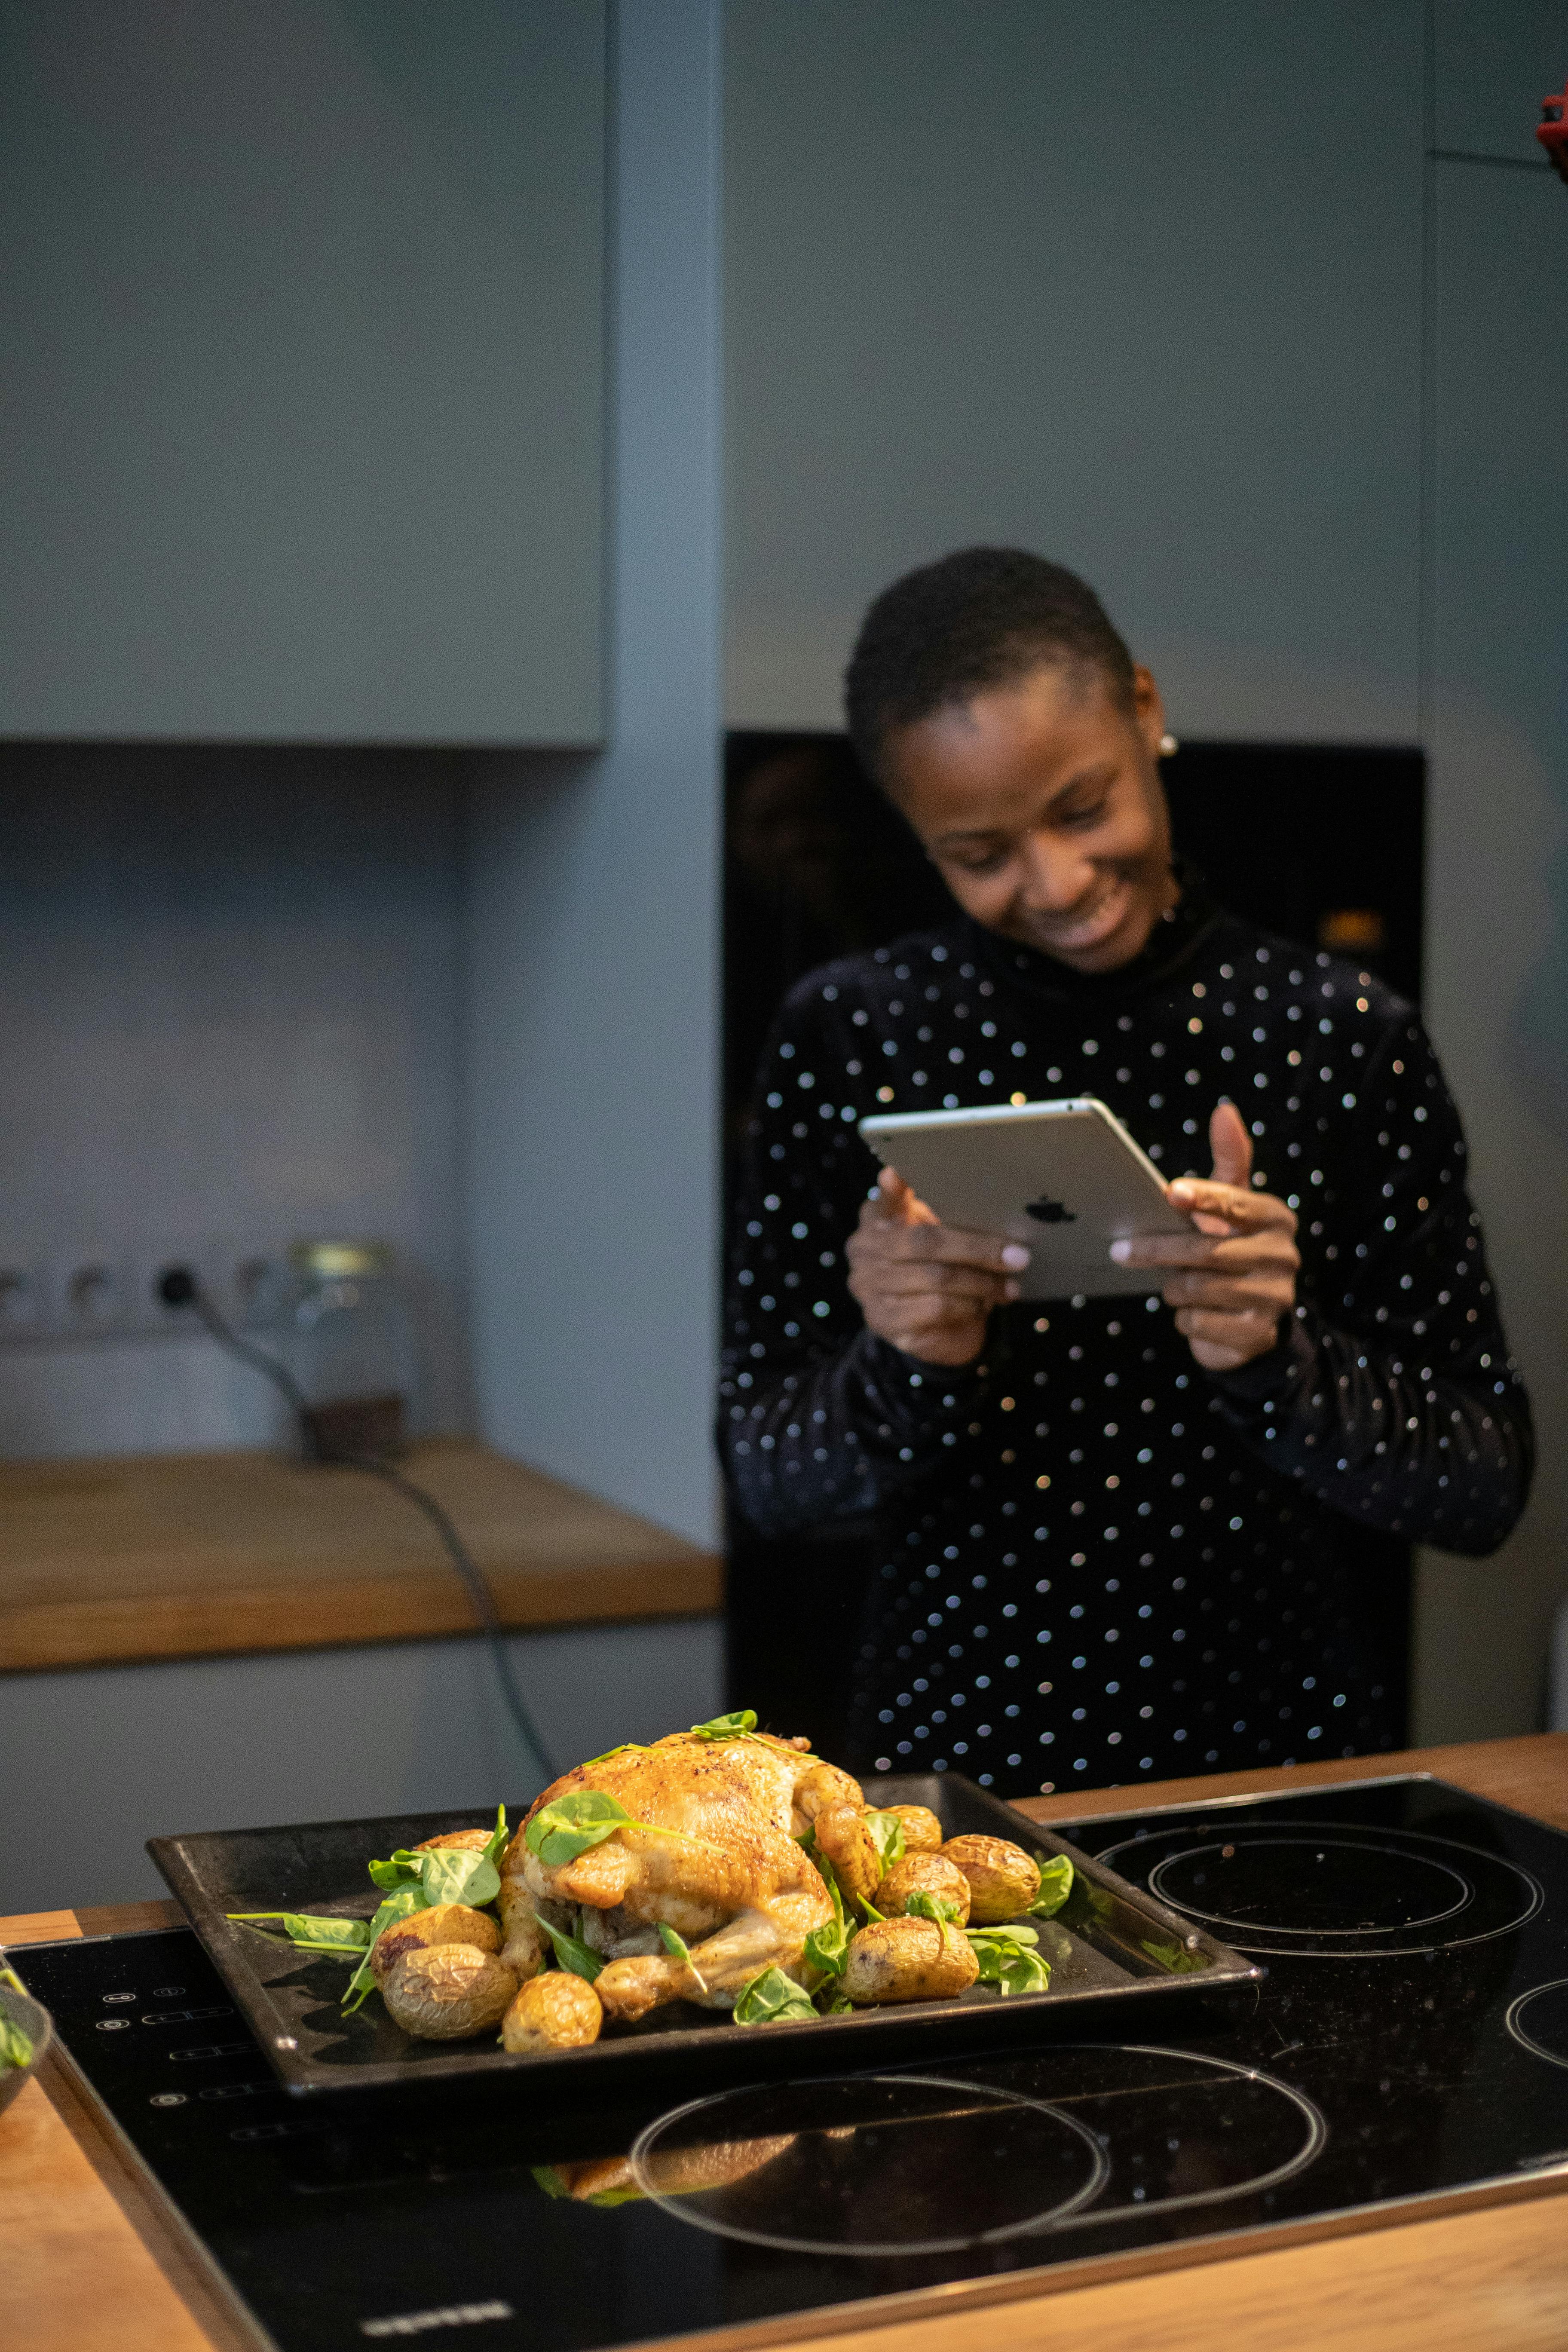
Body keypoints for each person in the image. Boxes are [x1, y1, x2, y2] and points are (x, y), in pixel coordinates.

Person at [717, 548, 1532, 1794]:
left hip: (1284, 1776)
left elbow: (1482, 1488)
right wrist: (904, 1363)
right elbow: (766, 1480)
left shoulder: (1338, 1033)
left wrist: (1280, 1357)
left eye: (1083, 808)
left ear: (1145, 712)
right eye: (979, 852)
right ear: (914, 832)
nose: (1057, 883)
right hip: (950, 1788)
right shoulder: (852, 1034)